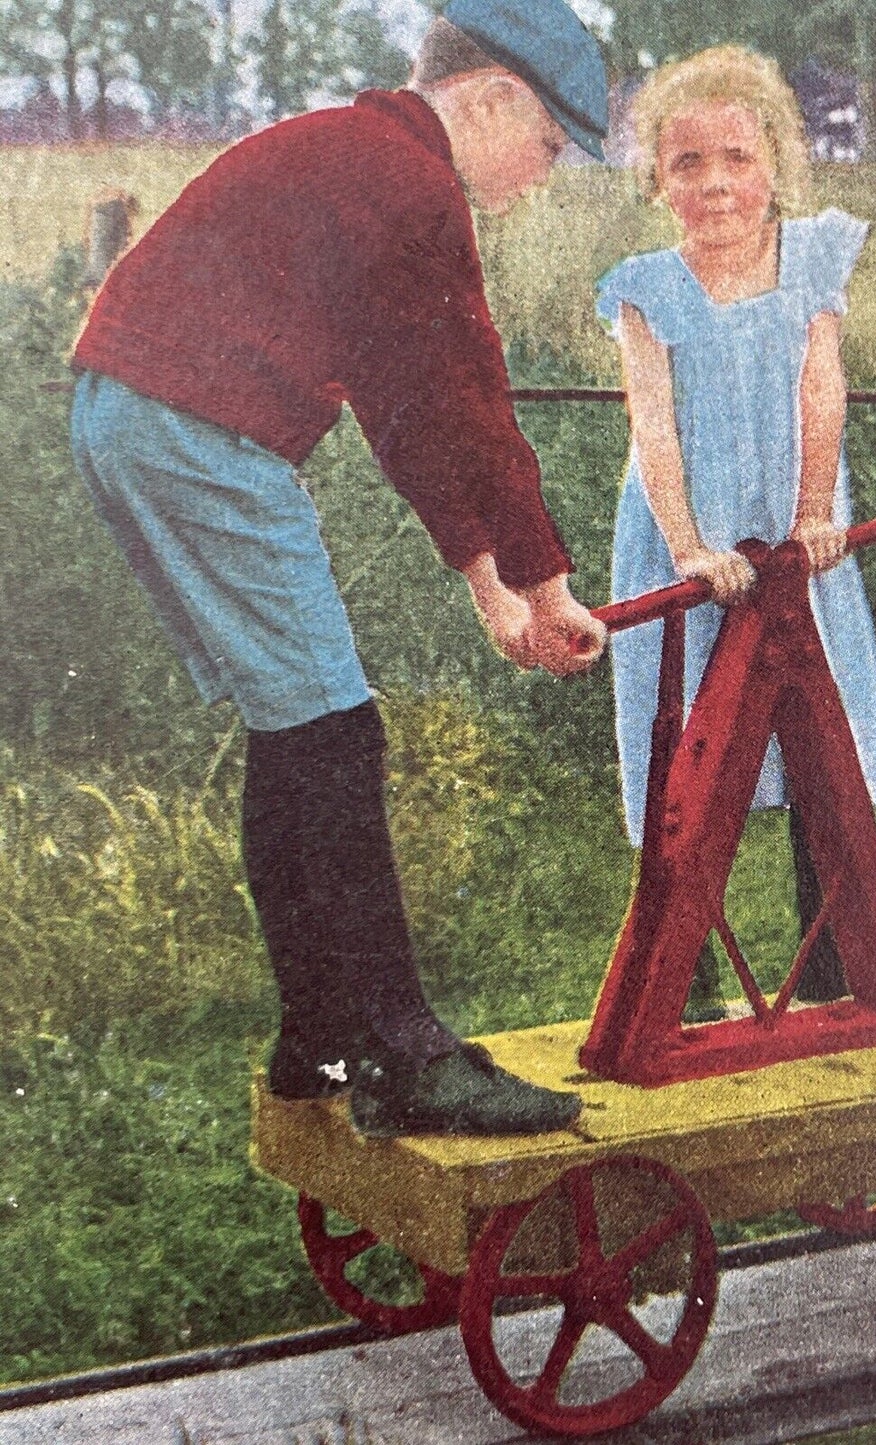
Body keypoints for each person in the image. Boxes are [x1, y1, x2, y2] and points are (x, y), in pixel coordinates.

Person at [67, 0, 610, 1135]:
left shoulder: (359, 155)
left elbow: (407, 409)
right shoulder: (411, 182)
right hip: (194, 424)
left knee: (298, 722)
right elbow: (466, 398)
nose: (541, 176)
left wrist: (496, 583)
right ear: (495, 95)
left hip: (130, 414)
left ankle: (318, 1034)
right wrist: (546, 585)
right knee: (332, 729)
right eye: (550, 145)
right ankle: (402, 1050)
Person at [596, 46, 876, 1013]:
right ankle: (682, 969)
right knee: (686, 748)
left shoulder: (810, 258)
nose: (716, 183)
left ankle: (835, 961)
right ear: (656, 179)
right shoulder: (646, 286)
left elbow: (821, 389)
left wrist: (816, 512)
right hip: (692, 535)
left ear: (776, 162)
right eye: (688, 165)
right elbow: (652, 425)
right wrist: (686, 544)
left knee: (822, 720)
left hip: (794, 537)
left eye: (736, 157)